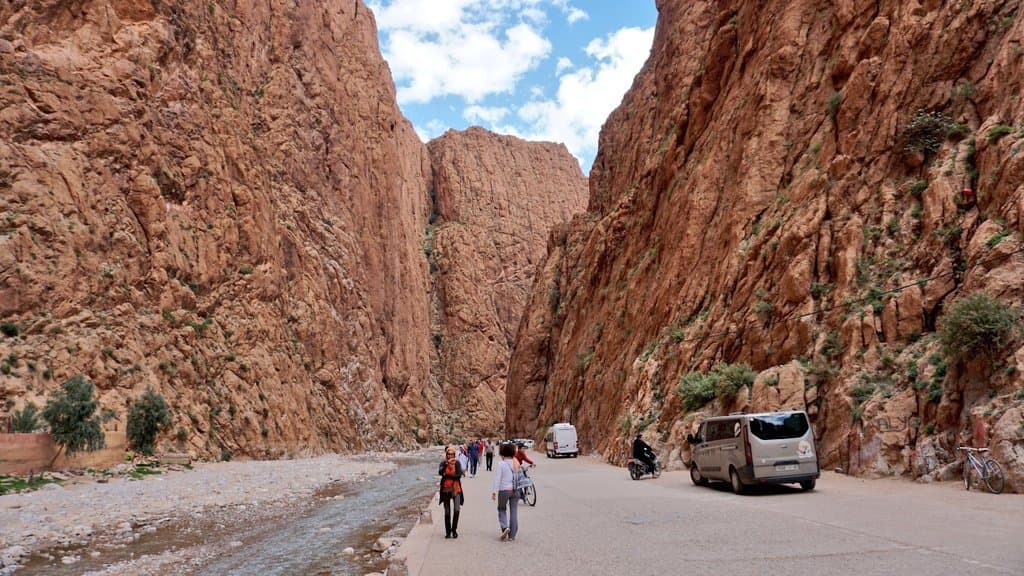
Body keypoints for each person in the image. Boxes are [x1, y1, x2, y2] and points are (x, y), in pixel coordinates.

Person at [492, 443, 520, 542]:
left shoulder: (501, 464)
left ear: (502, 452)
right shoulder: (516, 462)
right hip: (516, 490)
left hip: (504, 490)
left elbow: (498, 479)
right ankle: (512, 536)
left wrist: (494, 492)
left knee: (501, 509)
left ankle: (505, 527)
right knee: (514, 512)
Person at [438, 446, 464, 539]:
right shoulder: (443, 463)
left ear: (454, 454)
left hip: (456, 489)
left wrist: (447, 475)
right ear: (446, 454)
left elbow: (458, 476)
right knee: (447, 512)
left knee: (457, 510)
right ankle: (448, 532)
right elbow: (440, 473)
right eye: (448, 454)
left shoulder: (457, 463)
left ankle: (454, 530)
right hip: (445, 489)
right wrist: (446, 468)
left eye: (451, 454)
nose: (450, 456)